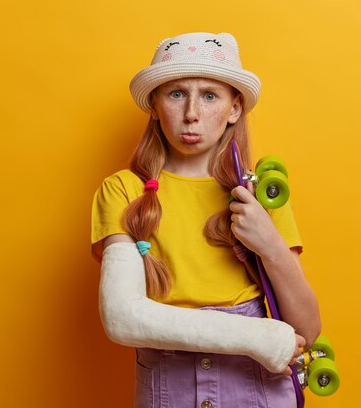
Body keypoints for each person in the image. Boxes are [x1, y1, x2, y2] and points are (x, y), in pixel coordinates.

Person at [91, 31, 321, 408]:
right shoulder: (123, 190)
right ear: (154, 104)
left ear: (234, 109)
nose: (192, 113)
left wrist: (270, 244)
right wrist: (254, 336)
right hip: (171, 387)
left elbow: (307, 331)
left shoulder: (262, 194)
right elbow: (121, 317)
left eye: (210, 95)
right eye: (176, 93)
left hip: (257, 387)